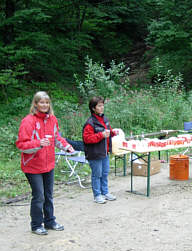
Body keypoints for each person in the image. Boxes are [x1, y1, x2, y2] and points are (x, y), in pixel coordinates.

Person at [16, 91, 74, 235]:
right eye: (41, 102)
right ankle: (36, 225)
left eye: (47, 102)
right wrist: (39, 143)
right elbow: (21, 144)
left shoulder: (53, 119)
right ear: (35, 104)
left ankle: (50, 221)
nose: (44, 105)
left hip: (48, 164)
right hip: (32, 165)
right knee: (39, 196)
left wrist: (67, 146)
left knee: (49, 195)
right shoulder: (28, 121)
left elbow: (56, 138)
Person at [82, 96, 123, 204]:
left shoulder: (104, 119)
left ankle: (105, 192)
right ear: (93, 108)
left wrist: (113, 133)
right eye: (99, 106)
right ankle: (97, 195)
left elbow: (108, 131)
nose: (102, 107)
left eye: (102, 105)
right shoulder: (90, 123)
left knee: (105, 173)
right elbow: (86, 139)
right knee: (97, 175)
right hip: (95, 153)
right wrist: (101, 135)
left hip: (105, 152)